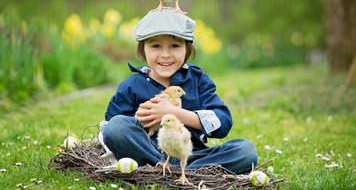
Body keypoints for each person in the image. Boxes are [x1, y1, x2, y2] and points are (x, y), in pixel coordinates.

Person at [102, 9, 257, 174]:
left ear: (187, 48)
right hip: (149, 150)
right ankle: (178, 172)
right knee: (117, 126)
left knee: (246, 150)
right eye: (156, 46)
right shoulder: (131, 85)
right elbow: (110, 130)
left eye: (175, 45)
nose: (166, 54)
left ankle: (177, 171)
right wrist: (137, 120)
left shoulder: (197, 81)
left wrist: (173, 113)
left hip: (192, 155)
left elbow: (223, 121)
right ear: (142, 49)